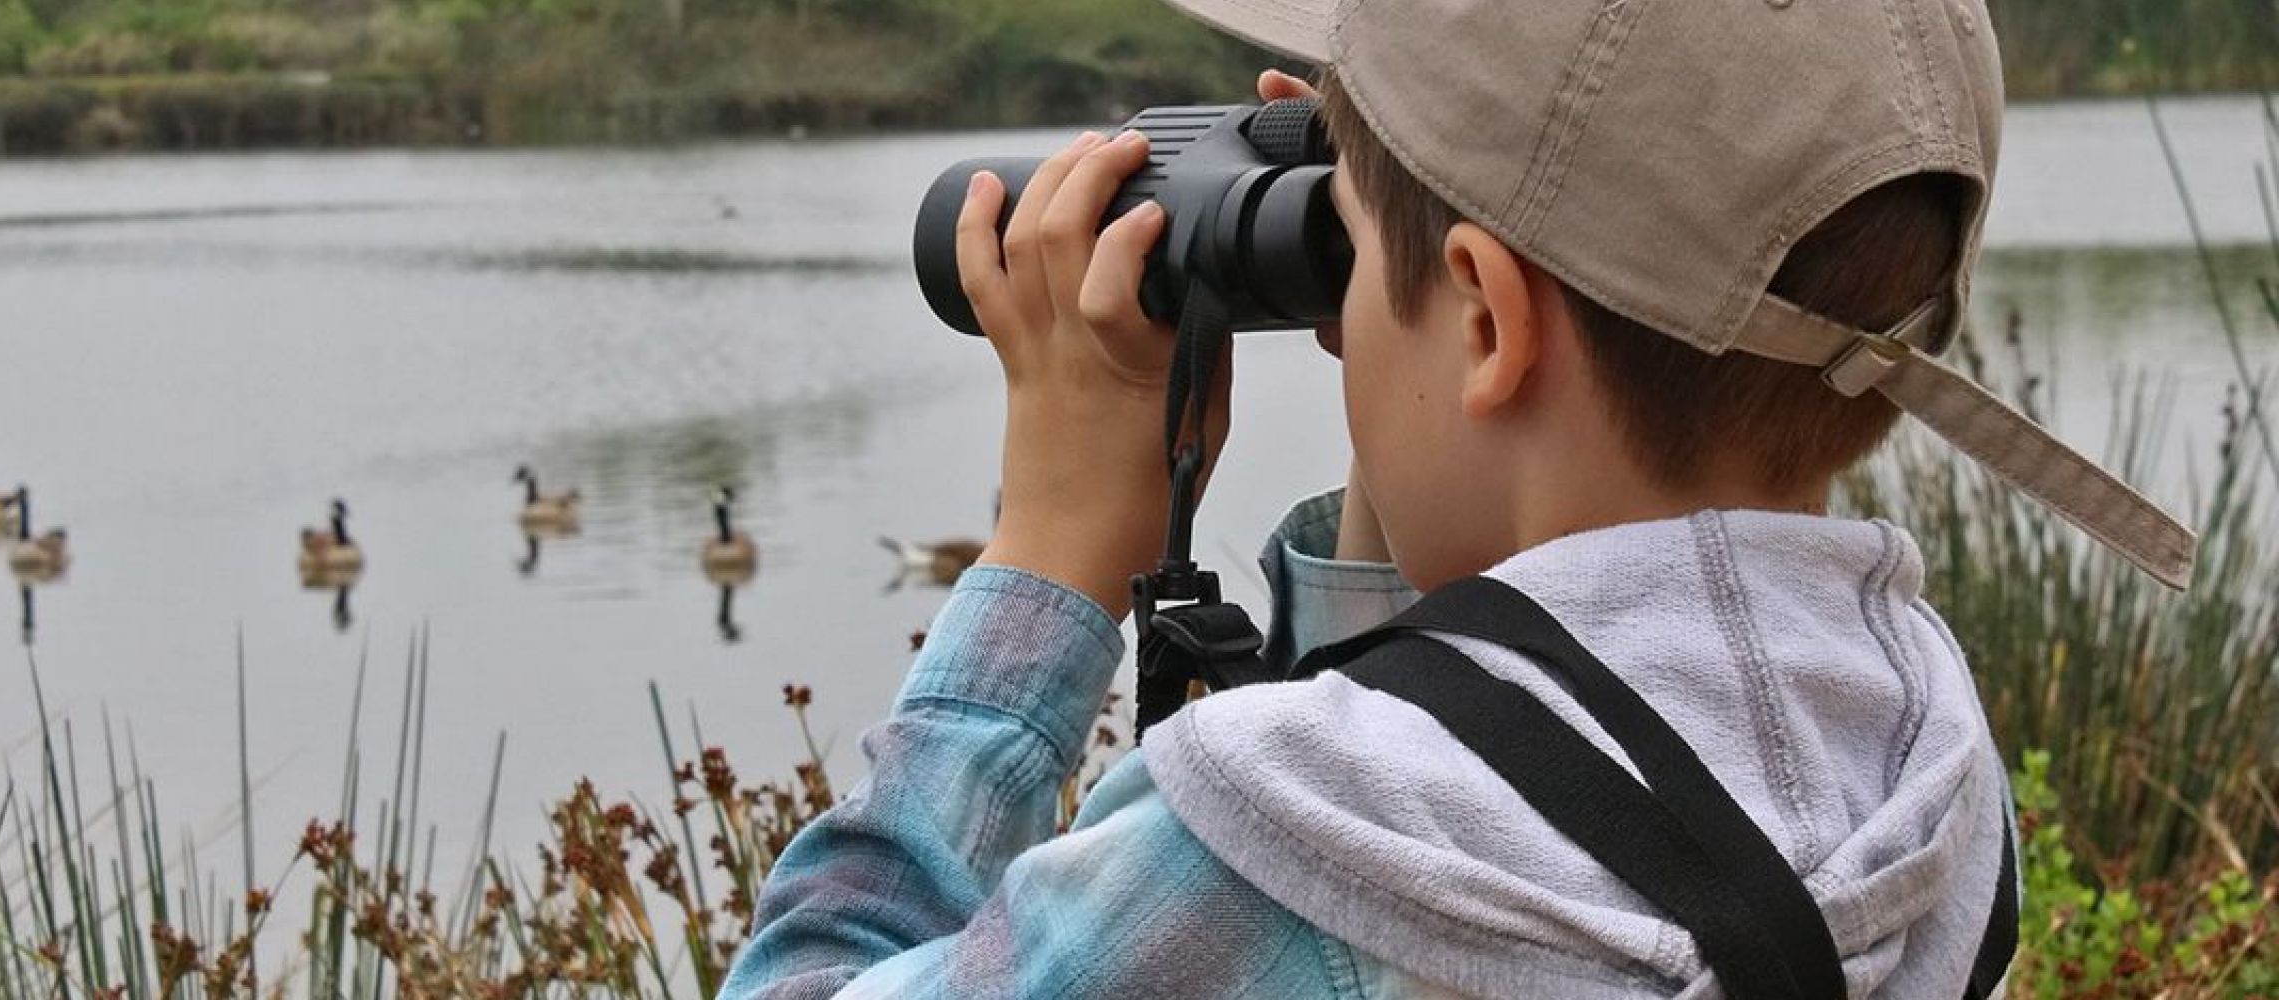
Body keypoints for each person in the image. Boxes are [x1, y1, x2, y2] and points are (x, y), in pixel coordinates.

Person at [718, 0, 2197, 994]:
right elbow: (1526, 701)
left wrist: (1047, 559)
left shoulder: (1282, 858)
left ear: (1485, 318)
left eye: (1349, 250)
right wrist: (1406, 261)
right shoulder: (1925, 763)